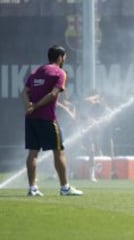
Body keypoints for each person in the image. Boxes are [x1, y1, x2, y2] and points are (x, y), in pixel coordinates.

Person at [21, 45, 83, 196]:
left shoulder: (37, 72)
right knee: (59, 152)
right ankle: (65, 188)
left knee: (33, 153)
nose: (64, 60)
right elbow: (54, 93)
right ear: (60, 57)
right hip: (47, 119)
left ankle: (32, 189)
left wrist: (28, 106)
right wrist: (35, 105)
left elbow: (24, 92)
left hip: (31, 119)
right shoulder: (60, 73)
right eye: (64, 58)